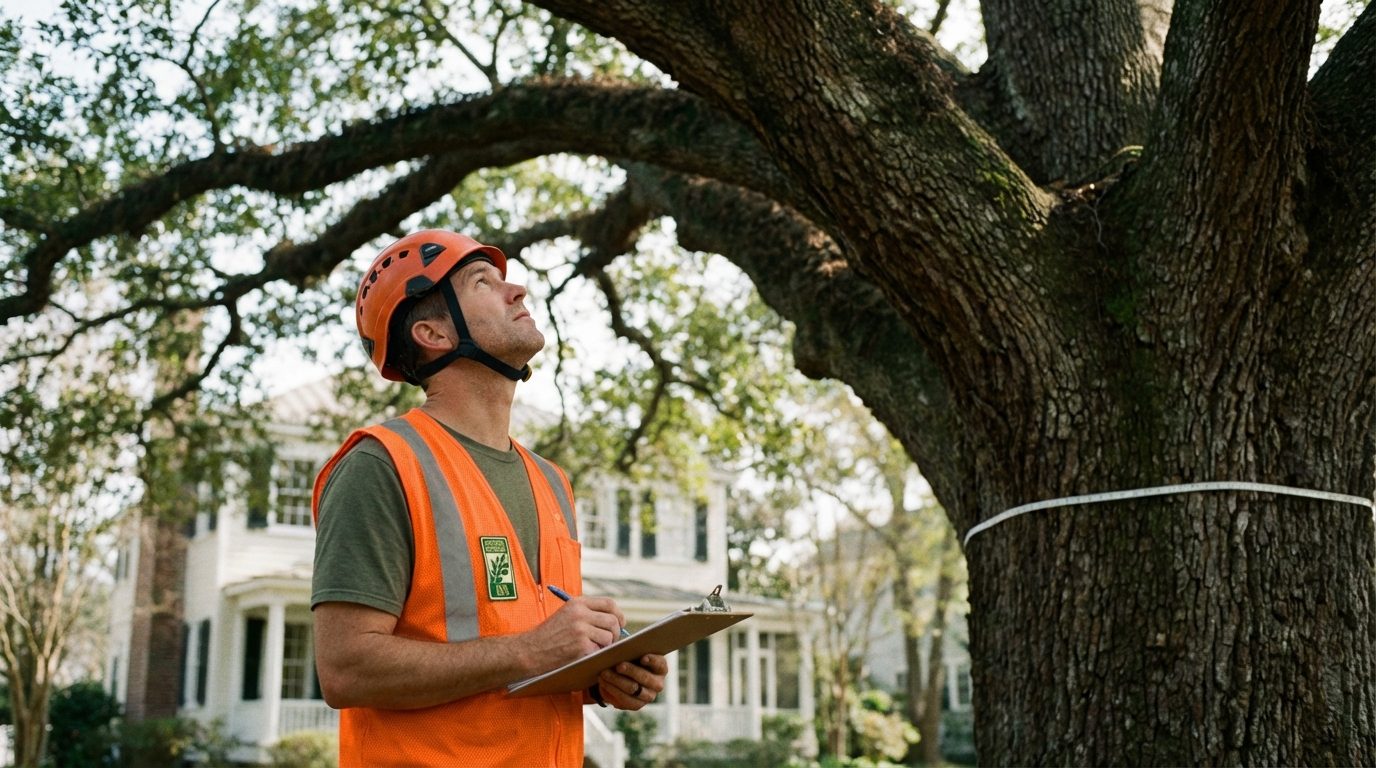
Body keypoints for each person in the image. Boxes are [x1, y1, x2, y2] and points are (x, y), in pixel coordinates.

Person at [311, 229, 668, 767]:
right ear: (432, 332)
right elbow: (345, 670)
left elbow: (526, 655)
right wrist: (528, 651)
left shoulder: (552, 482)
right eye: (484, 282)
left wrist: (599, 677)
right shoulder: (381, 466)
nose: (517, 291)